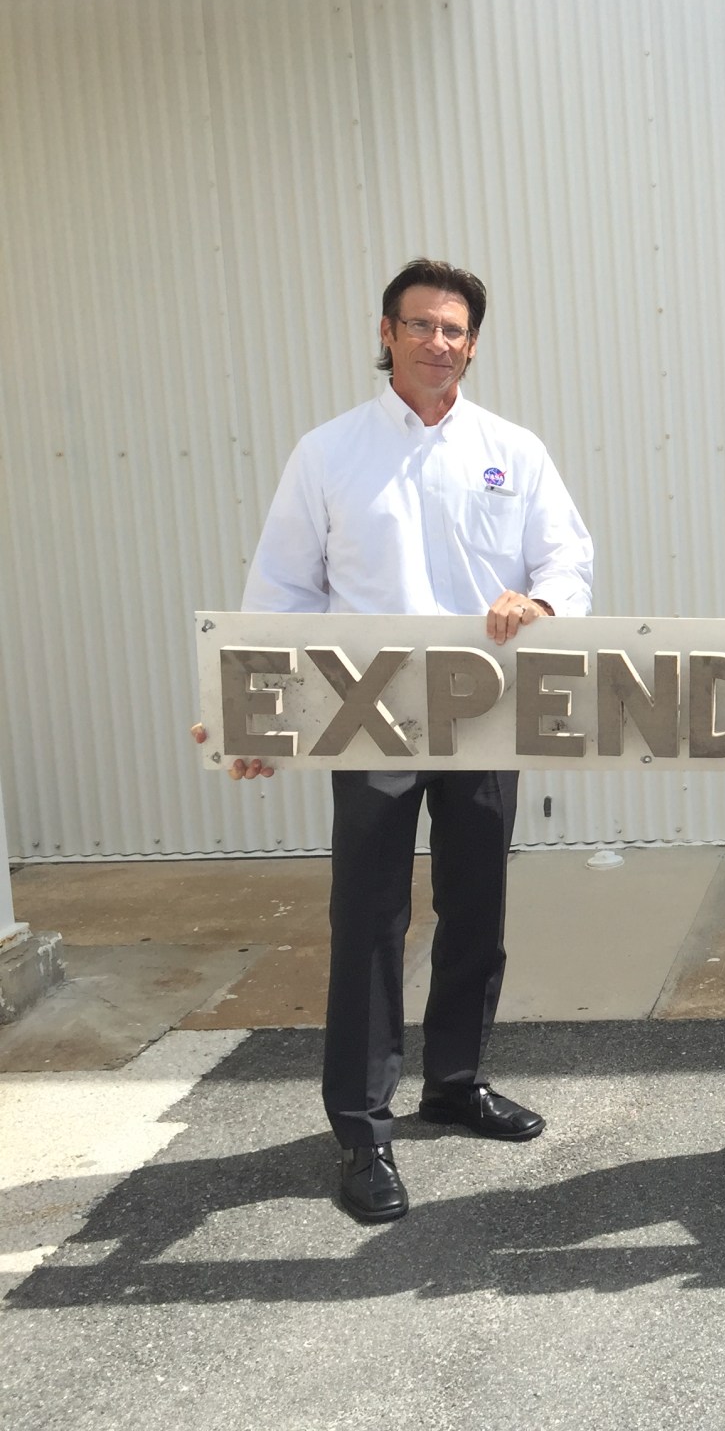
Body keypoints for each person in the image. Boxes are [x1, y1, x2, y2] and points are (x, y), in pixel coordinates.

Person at [193, 258, 593, 1221]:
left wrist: (537, 599)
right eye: (420, 326)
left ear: (473, 343)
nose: (438, 343)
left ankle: (454, 1082)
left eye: (455, 330)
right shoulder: (329, 454)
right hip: (368, 715)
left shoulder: (513, 450)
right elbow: (281, 593)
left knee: (476, 905)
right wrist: (262, 713)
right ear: (386, 333)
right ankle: (362, 1130)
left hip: (483, 710)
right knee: (369, 918)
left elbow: (567, 557)